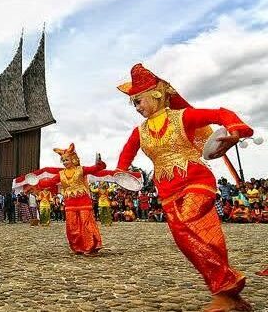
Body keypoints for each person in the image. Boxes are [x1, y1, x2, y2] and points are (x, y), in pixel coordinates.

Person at [115, 63, 253, 311]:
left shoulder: (183, 117)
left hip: (196, 182)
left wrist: (235, 130)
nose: (138, 108)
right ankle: (228, 295)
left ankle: (227, 285)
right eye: (134, 103)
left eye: (140, 101)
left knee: (189, 220)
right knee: (195, 239)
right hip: (167, 191)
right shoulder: (140, 131)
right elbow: (126, 155)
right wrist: (123, 172)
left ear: (156, 95)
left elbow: (221, 113)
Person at [16, 143, 107, 255]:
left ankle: (90, 246)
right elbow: (50, 182)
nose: (64, 162)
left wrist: (99, 163)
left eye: (66, 160)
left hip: (83, 200)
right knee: (72, 225)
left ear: (73, 159)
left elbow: (95, 169)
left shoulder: (81, 170)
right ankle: (78, 246)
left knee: (86, 223)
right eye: (63, 160)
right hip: (70, 202)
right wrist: (36, 183)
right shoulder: (61, 174)